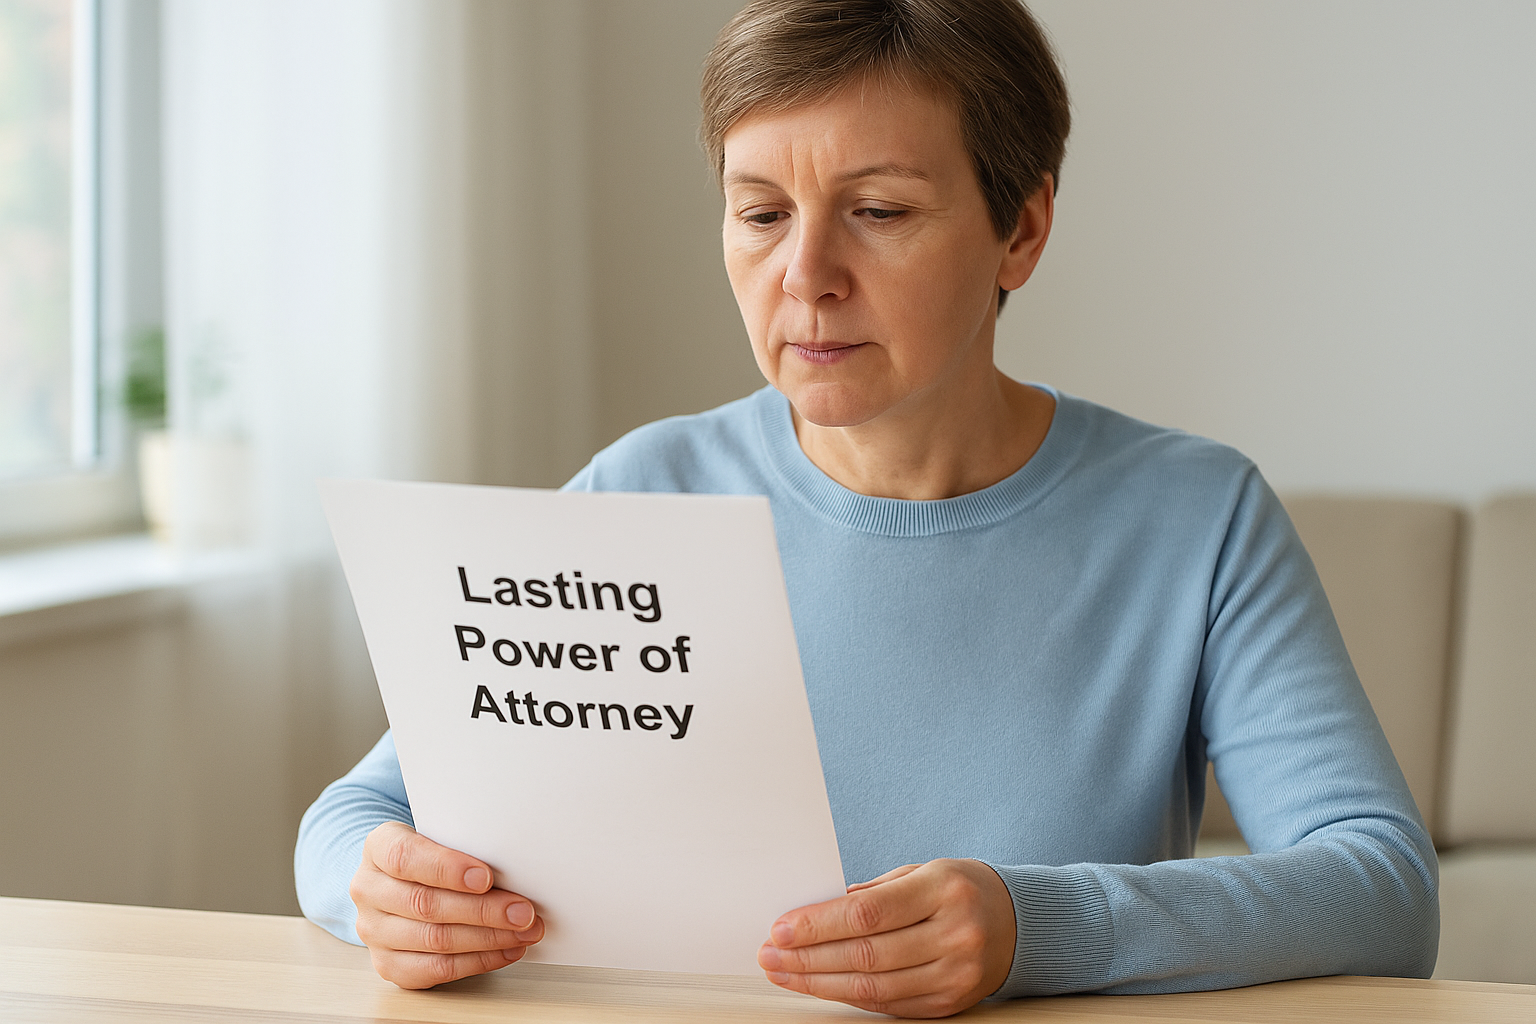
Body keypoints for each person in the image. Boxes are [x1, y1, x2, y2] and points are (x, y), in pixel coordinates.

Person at [295, 0, 1438, 1017]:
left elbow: (1382, 888)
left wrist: (1034, 928)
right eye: (760, 214)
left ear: (1021, 231)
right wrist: (383, 887)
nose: (806, 275)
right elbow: (353, 817)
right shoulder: (642, 490)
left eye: (879, 210)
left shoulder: (1198, 518)